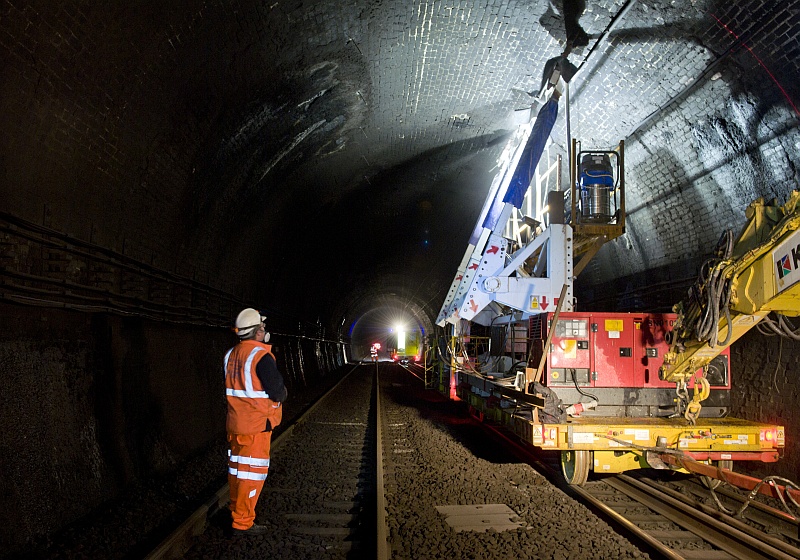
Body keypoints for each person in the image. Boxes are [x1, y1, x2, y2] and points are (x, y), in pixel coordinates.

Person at [224, 308, 288, 535]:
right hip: (256, 426)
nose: (264, 329)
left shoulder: (231, 354)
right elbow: (277, 391)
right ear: (257, 332)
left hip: (235, 424)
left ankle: (236, 511)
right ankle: (242, 523)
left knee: (237, 472)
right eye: (262, 327)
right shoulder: (261, 356)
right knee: (252, 475)